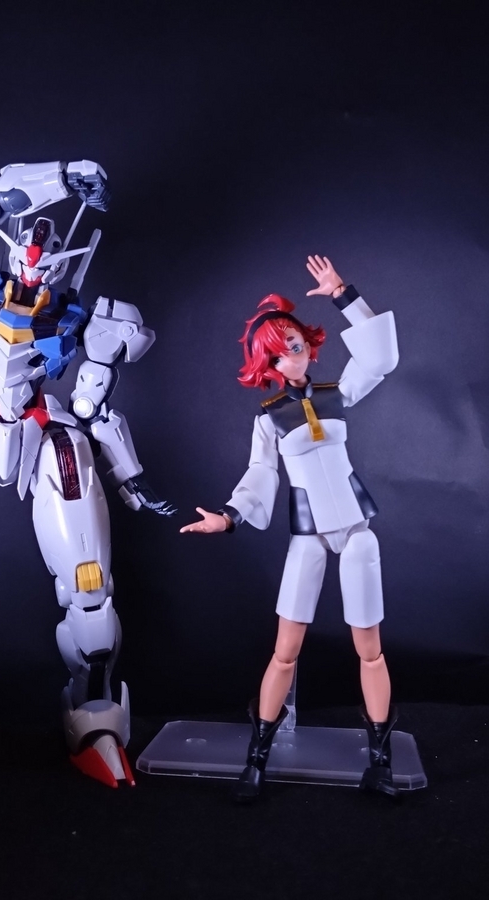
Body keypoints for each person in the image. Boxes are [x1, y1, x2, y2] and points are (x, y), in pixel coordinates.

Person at [180, 255, 400, 802]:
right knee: (285, 651)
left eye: (294, 344)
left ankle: (381, 762)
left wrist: (344, 295)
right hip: (308, 536)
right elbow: (261, 474)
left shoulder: (335, 394)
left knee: (370, 650)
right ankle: (256, 757)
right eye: (278, 353)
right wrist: (229, 516)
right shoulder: (270, 417)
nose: (290, 356)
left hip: (356, 529)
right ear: (268, 365)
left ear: (308, 343)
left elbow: (380, 358)